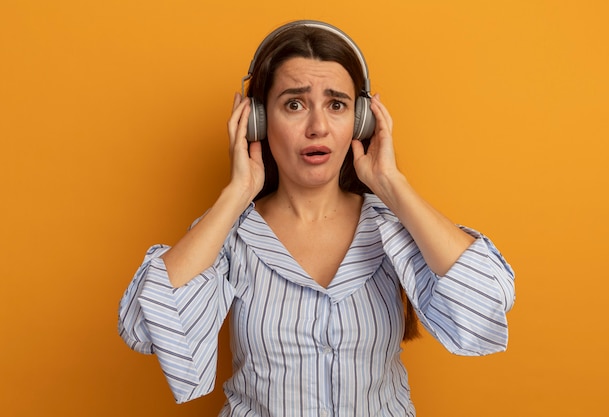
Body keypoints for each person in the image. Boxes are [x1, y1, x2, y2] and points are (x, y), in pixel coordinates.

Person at [118, 20, 515, 416]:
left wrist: (392, 184)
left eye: (336, 105)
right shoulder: (229, 233)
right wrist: (237, 193)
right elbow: (143, 327)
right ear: (257, 120)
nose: (318, 127)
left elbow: (487, 303)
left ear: (361, 122)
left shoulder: (392, 225)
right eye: (294, 104)